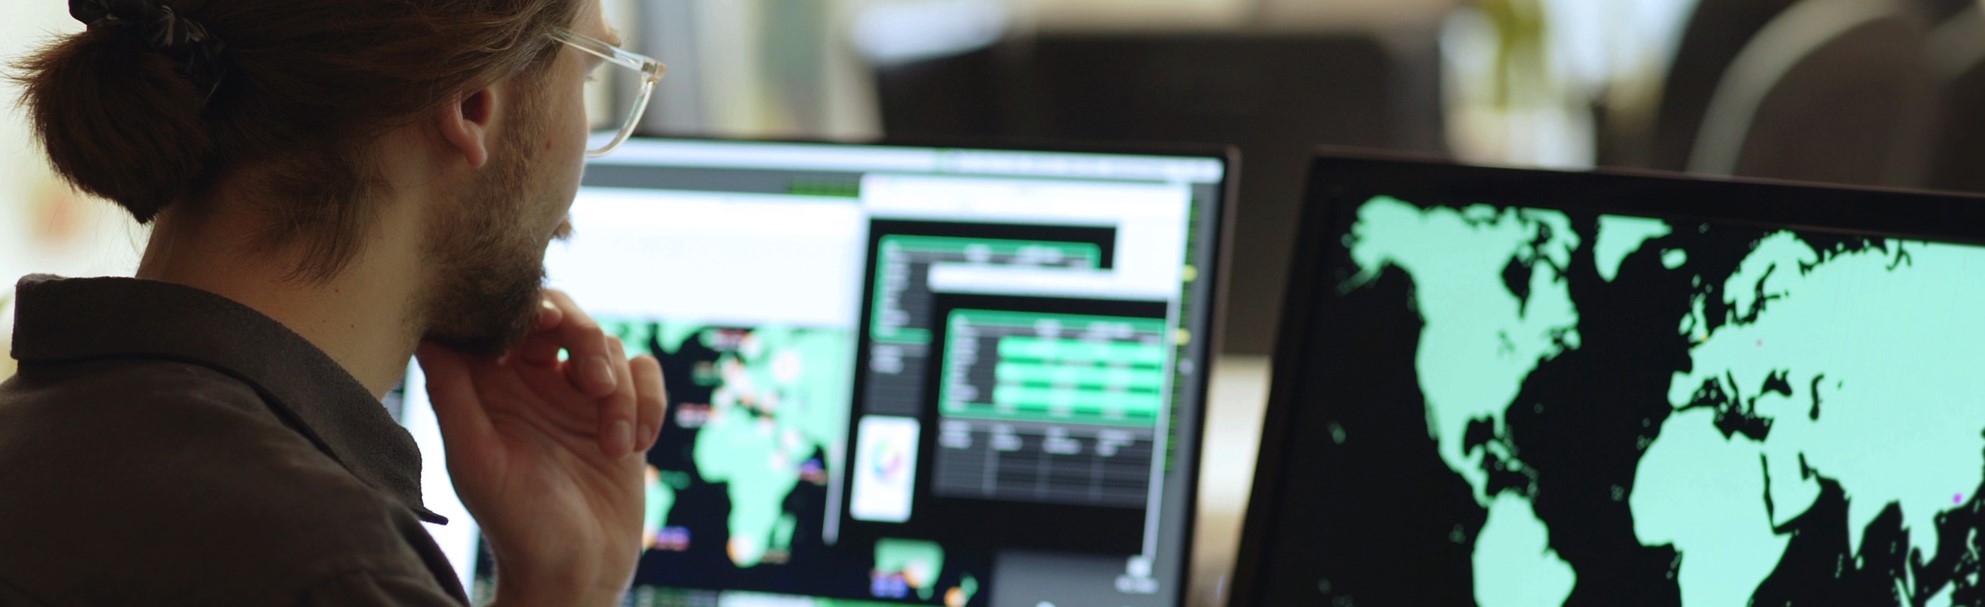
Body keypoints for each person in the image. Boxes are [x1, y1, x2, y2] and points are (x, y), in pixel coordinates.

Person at [0, 0, 668, 604]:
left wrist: (559, 587)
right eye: (586, 74)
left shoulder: (39, 443)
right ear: (471, 105)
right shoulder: (334, 570)